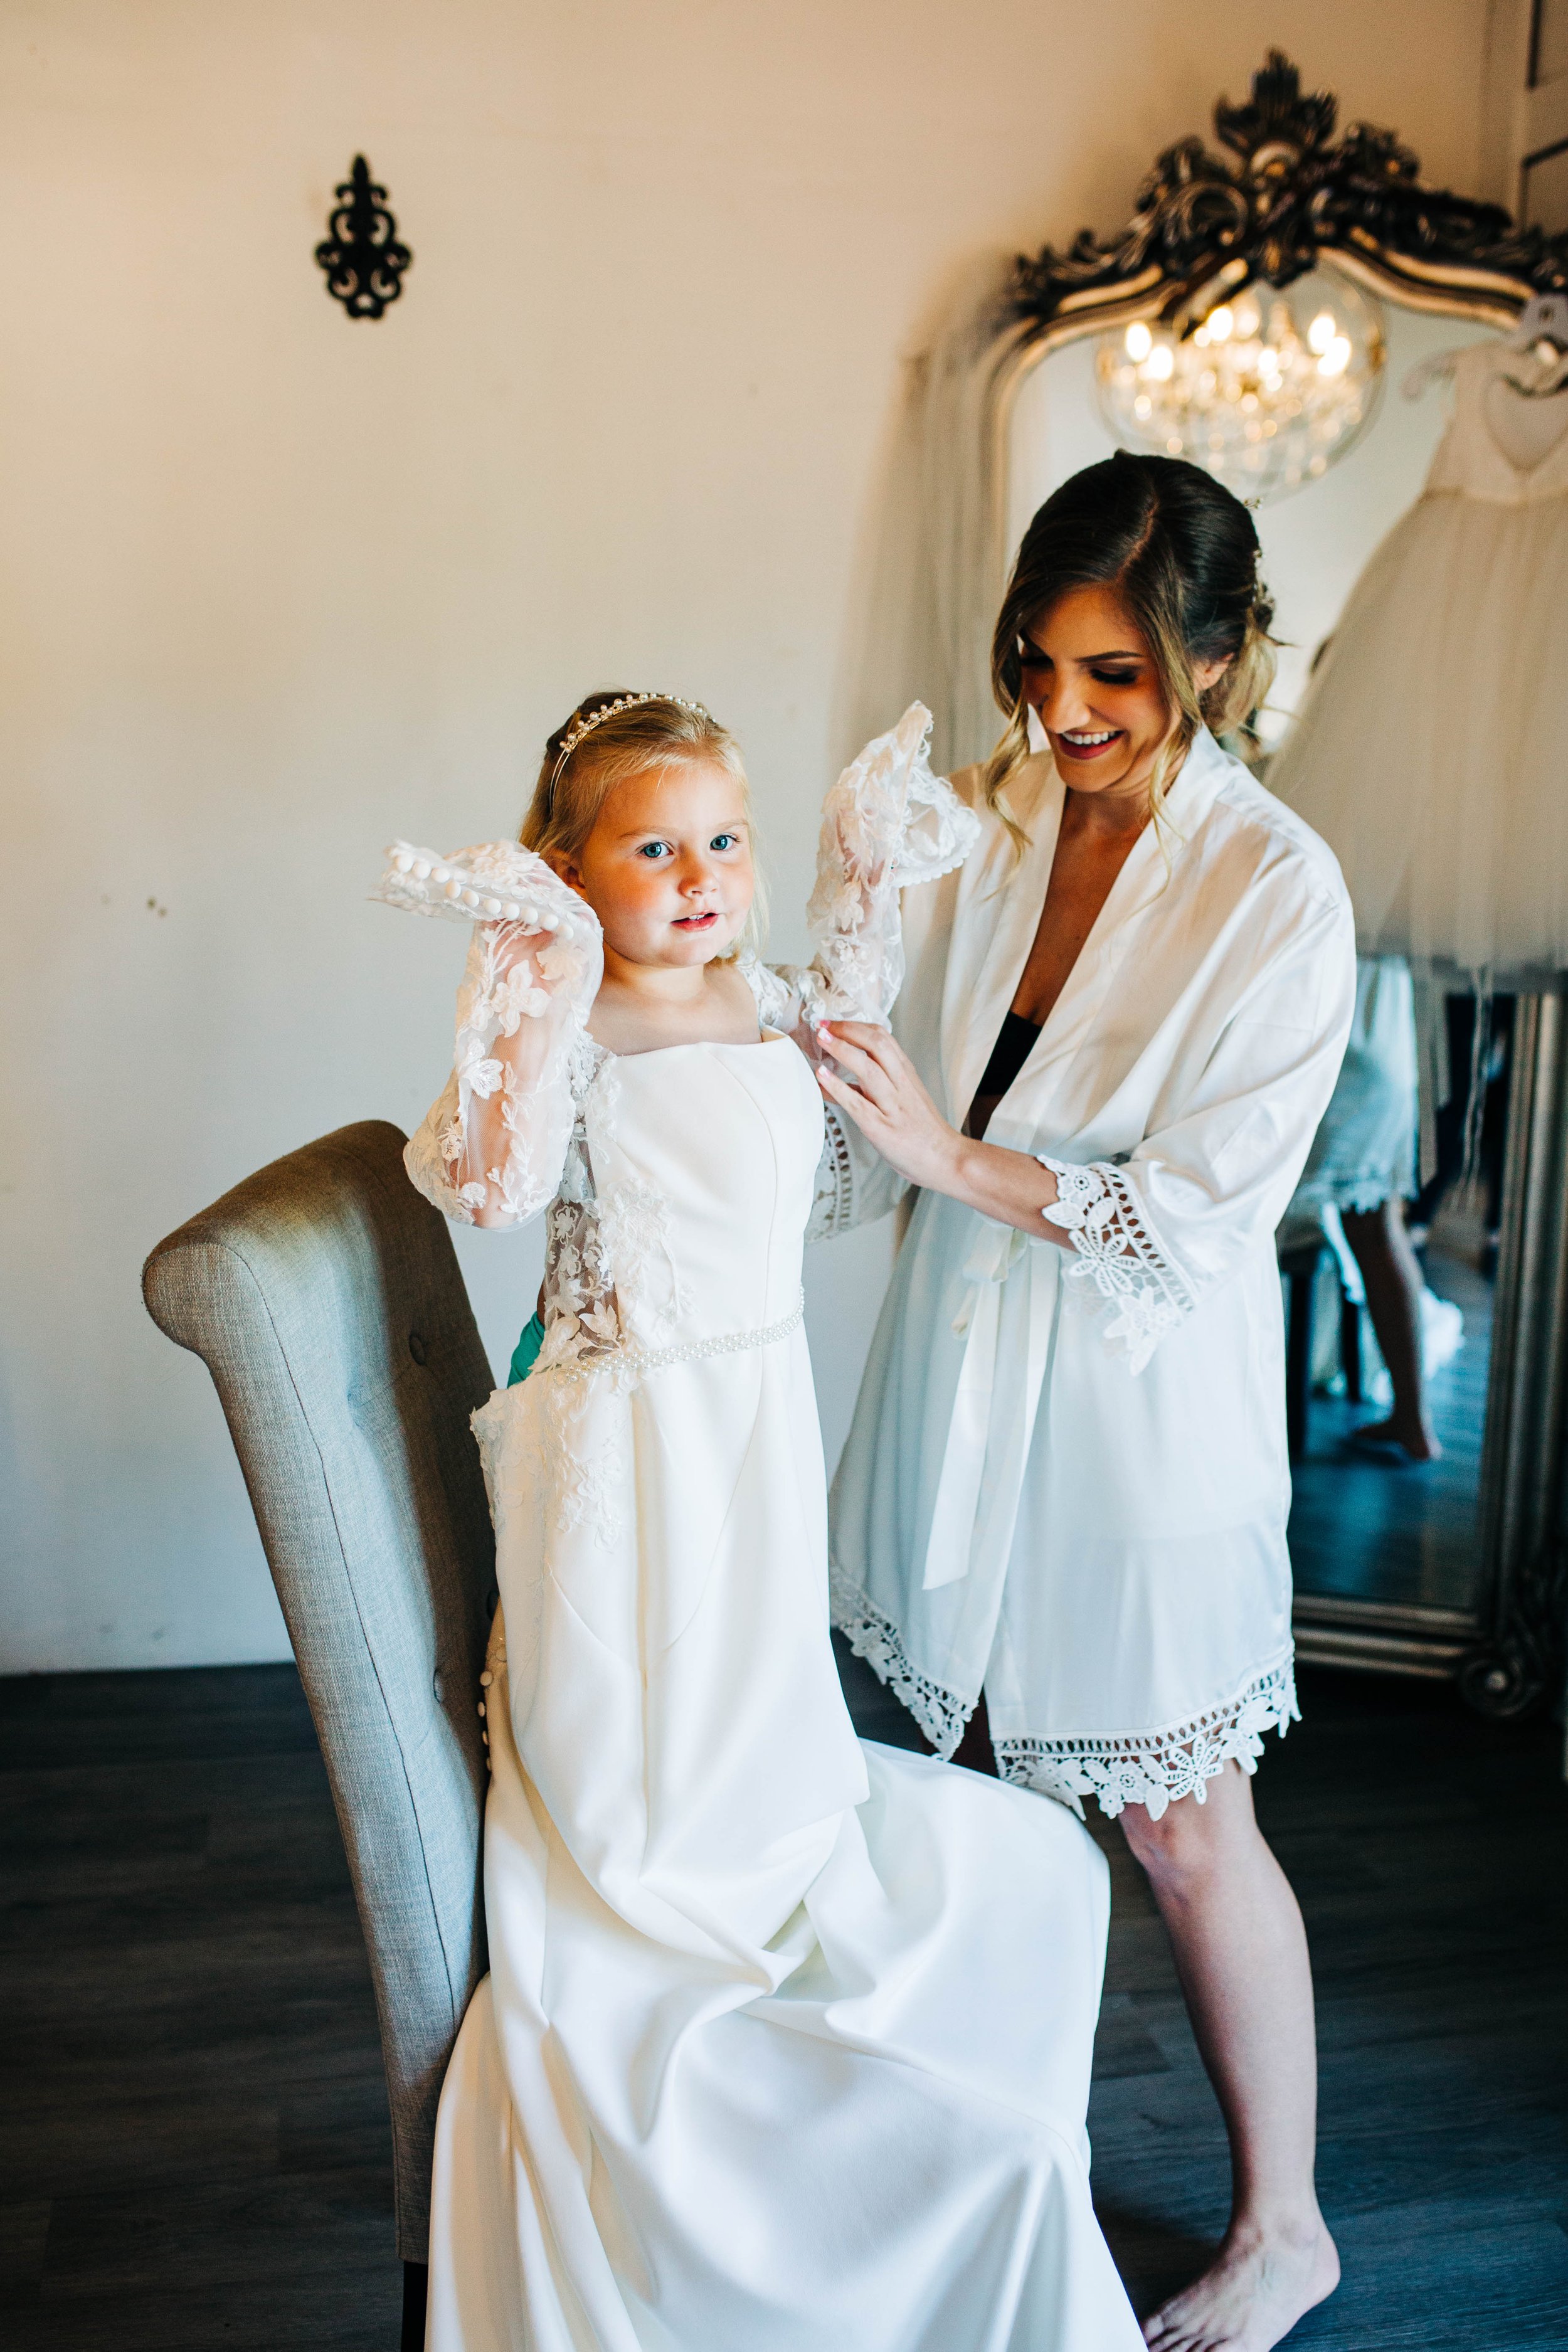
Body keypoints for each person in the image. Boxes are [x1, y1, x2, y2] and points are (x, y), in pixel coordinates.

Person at [384, 692, 1144, 2351]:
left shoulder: (764, 999)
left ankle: (762, 1875)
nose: (699, 875)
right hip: (626, 1442)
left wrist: (865, 966)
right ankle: (675, 1943)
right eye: (650, 848)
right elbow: (490, 1187)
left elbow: (834, 1184)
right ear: (567, 870)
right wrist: (515, 998)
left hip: (747, 1419)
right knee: (650, 1752)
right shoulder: (574, 1019)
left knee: (757, 1715)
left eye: (722, 841)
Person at [820, 454, 1357, 2352]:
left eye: (1114, 674)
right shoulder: (996, 818)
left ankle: (1282, 2229)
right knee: (959, 1778)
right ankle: (992, 2175)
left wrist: (948, 1157)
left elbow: (1196, 1220)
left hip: (1135, 1420)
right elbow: (883, 1101)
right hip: (956, 1383)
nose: (1062, 713)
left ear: (1218, 660)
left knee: (1182, 1820)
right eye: (1038, 665)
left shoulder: (1275, 896)